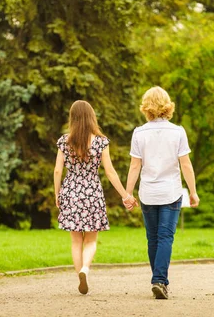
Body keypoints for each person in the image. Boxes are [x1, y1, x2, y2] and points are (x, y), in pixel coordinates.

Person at [123, 86, 199, 300]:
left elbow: (135, 167)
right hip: (171, 192)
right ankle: (159, 280)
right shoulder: (178, 132)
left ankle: (159, 280)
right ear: (167, 105)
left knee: (152, 238)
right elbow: (186, 165)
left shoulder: (139, 133)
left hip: (148, 192)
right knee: (166, 237)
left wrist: (128, 194)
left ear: (146, 107)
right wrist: (193, 192)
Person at [54, 100, 137, 295]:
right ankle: (85, 269)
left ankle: (79, 276)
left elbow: (58, 170)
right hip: (92, 192)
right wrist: (125, 195)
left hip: (71, 191)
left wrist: (57, 193)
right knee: (91, 240)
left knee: (76, 241)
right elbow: (110, 172)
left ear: (72, 118)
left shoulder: (64, 141)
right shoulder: (101, 141)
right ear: (92, 117)